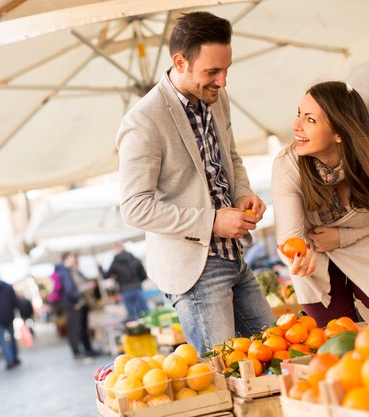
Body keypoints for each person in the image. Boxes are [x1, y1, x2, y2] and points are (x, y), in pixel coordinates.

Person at [116, 11, 275, 354]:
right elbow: (134, 208)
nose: (223, 81)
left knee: (278, 358)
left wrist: (244, 193)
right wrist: (212, 221)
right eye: (212, 72)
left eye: (226, 70)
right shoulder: (143, 121)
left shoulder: (218, 98)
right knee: (224, 381)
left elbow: (230, 158)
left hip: (235, 257)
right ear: (180, 62)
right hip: (195, 272)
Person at [271, 81, 369, 327]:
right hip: (319, 263)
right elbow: (290, 236)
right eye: (299, 114)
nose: (296, 125)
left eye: (310, 120)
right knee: (338, 347)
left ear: (339, 132)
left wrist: (344, 238)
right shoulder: (287, 164)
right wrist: (299, 256)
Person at [54, 252, 96, 362]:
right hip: (73, 305)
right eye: (72, 257)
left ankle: (82, 351)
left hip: (72, 304)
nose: (74, 259)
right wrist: (76, 301)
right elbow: (69, 290)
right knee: (75, 330)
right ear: (68, 258)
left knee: (78, 329)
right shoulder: (65, 272)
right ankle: (77, 353)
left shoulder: (66, 271)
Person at [98, 243, 149, 319]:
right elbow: (144, 276)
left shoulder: (115, 263)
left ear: (116, 250)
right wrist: (137, 282)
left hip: (125, 291)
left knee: (132, 315)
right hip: (137, 289)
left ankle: (137, 329)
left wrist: (100, 267)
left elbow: (106, 276)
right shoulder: (135, 260)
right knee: (145, 313)